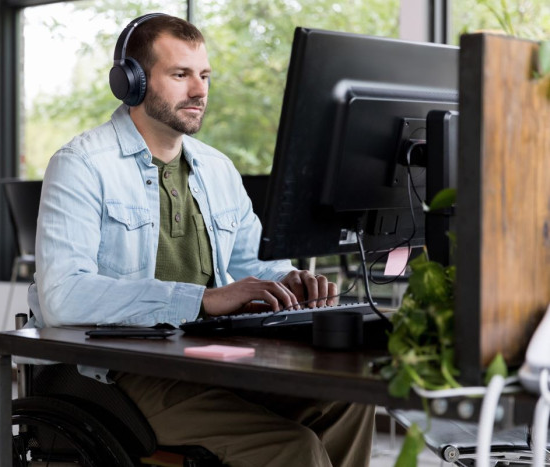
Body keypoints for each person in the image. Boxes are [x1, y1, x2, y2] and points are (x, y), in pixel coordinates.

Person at [28, 13, 374, 466]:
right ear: (131, 82)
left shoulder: (217, 168)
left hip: (215, 358)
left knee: (350, 399)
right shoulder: (81, 165)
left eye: (205, 75)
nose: (199, 90)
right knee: (294, 448)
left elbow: (254, 263)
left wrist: (292, 281)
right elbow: (63, 296)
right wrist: (203, 300)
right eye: (180, 74)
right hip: (127, 373)